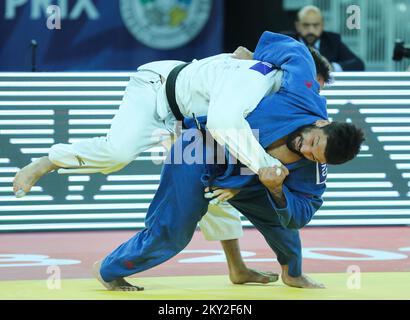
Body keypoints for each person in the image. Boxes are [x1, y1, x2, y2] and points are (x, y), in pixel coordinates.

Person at [91, 32, 365, 291]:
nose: (305, 149)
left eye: (312, 156)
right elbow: (293, 48)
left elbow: (303, 211)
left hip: (245, 176)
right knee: (174, 232)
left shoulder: (313, 163)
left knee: (282, 216)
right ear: (322, 123)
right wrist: (258, 58)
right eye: (312, 142)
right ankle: (109, 269)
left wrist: (277, 190)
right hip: (200, 148)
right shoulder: (299, 93)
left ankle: (291, 273)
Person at [283, 5, 365, 71]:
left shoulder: (332, 41)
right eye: (306, 25)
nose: (311, 30)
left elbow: (358, 64)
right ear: (298, 26)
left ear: (322, 25)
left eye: (316, 25)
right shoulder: (286, 41)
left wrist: (332, 67)